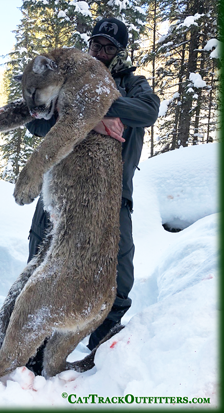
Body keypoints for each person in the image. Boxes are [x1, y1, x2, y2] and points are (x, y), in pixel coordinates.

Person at [25, 18, 160, 359]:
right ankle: (32, 344)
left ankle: (103, 344)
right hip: (61, 189)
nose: (100, 53)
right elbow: (36, 127)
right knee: (40, 262)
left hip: (111, 196)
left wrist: (97, 103)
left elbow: (147, 111)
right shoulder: (67, 82)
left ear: (120, 52)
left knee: (117, 266)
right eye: (95, 45)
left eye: (108, 47)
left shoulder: (133, 85)